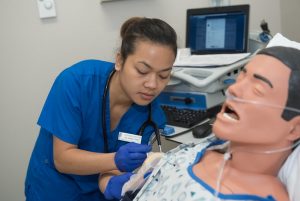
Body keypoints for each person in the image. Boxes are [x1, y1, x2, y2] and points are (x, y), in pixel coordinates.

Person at [25, 16, 177, 201]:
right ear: (120, 61)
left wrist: (118, 184)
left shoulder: (152, 117)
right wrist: (115, 159)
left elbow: (114, 169)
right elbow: (63, 159)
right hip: (53, 190)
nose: (153, 84)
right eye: (142, 71)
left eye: (163, 75)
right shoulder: (77, 82)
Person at [129, 45, 300, 201]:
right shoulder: (207, 149)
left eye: (257, 89)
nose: (233, 89)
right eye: (240, 78)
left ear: (295, 128)